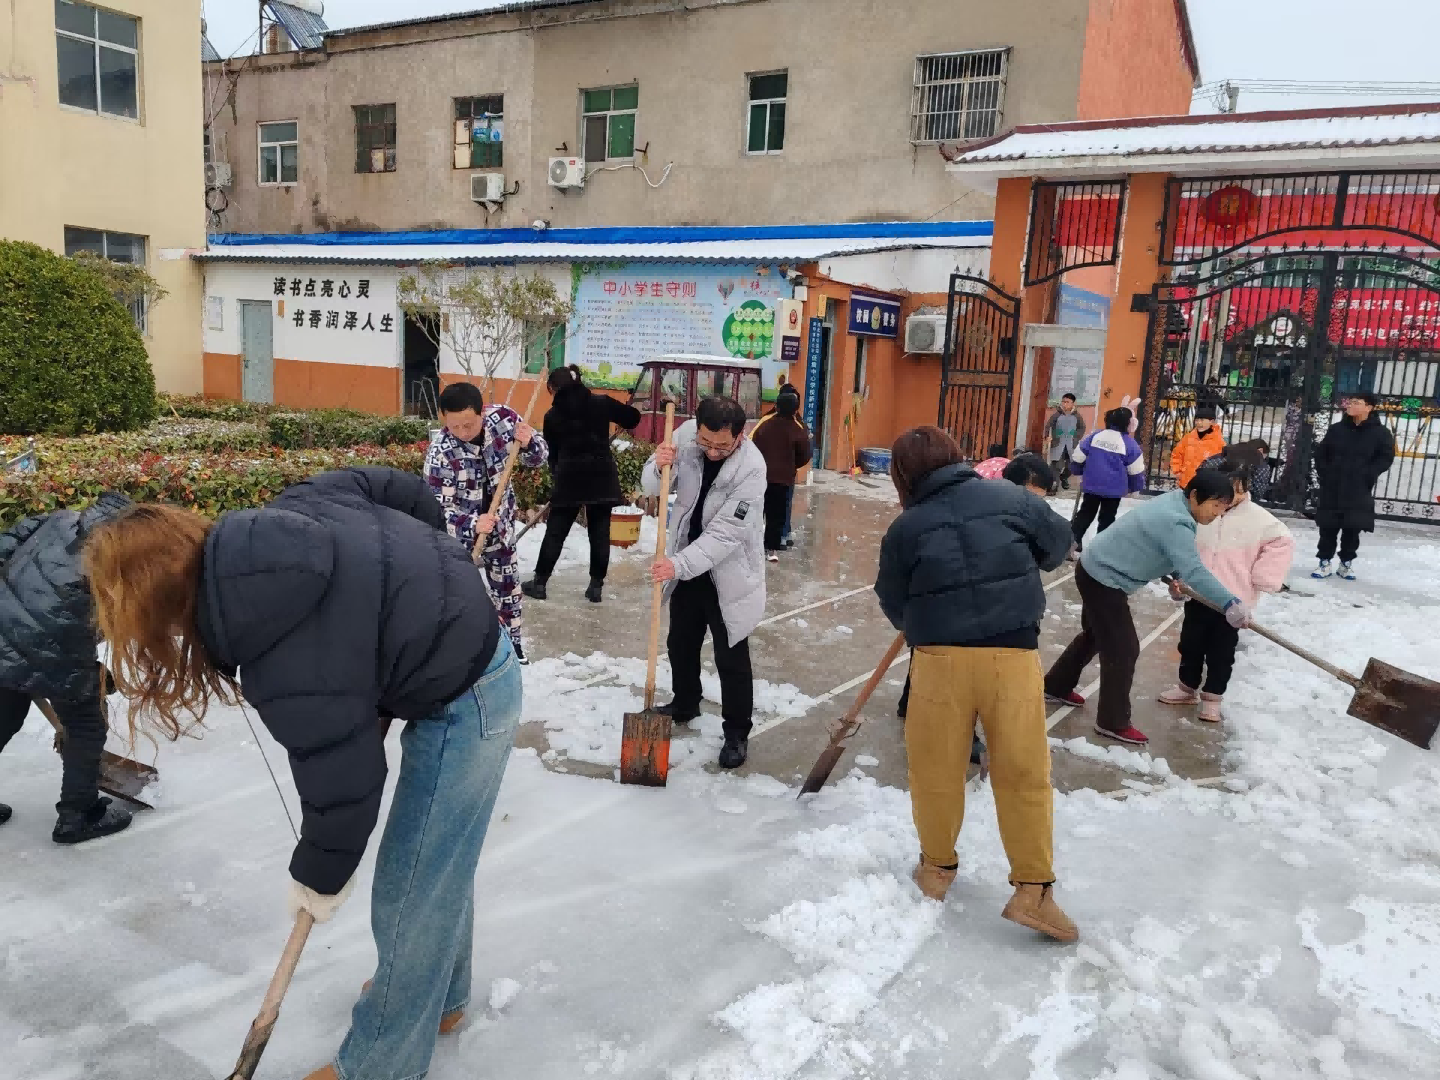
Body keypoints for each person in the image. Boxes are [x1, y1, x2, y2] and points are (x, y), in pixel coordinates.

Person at [83, 468, 522, 1080]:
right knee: (438, 859)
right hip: (461, 652)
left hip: (469, 690)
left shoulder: (282, 661)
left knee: (414, 878)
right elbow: (396, 489)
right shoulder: (294, 507)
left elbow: (344, 792)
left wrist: (317, 883)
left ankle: (381, 1065)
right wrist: (413, 585)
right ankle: (440, 998)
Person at [875, 426, 1075, 940]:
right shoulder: (1013, 498)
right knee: (1024, 772)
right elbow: (1058, 547)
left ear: (902, 474)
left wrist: (924, 618)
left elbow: (893, 602)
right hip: (1011, 656)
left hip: (939, 661)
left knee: (936, 769)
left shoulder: (907, 527)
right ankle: (1034, 890)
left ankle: (936, 869)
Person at [1044, 470, 1248, 746]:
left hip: (1097, 568)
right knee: (1123, 648)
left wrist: (1176, 577)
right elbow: (1195, 570)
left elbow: (1174, 555)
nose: (1218, 514)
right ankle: (1112, 721)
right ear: (1196, 496)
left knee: (1096, 634)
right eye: (1216, 506)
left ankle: (1056, 686)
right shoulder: (1176, 519)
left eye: (1224, 509)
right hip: (1103, 577)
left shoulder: (1179, 505)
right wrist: (1229, 602)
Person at [0, 492, 134, 843]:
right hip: (56, 645)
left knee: (3, 716)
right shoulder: (115, 559)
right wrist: (89, 678)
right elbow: (111, 621)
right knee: (86, 724)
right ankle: (79, 815)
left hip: (1, 626)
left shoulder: (56, 519)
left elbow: (3, 545)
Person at [642, 396, 766, 769]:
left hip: (728, 574)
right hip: (687, 564)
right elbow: (652, 485)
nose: (712, 452)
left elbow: (727, 535)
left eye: (722, 446)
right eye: (706, 443)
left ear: (739, 437)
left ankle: (737, 732)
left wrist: (678, 565)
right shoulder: (685, 437)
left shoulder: (752, 469)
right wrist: (658, 464)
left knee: (731, 654)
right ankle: (685, 701)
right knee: (680, 641)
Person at [1159, 460, 1293, 721]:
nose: (1231, 499)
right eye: (1225, 492)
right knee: (1190, 645)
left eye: (1238, 491)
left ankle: (1213, 697)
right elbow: (1181, 546)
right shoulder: (1200, 514)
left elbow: (1282, 542)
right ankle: (1186, 688)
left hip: (1232, 602)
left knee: (1221, 654)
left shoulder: (1261, 521)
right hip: (1198, 596)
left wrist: (1265, 577)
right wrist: (1179, 576)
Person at [424, 381, 548, 663]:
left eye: (468, 425)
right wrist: (470, 523)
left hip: (501, 527)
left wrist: (530, 443)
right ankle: (457, 653)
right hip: (460, 539)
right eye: (454, 426)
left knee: (508, 590)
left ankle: (513, 646)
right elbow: (437, 508)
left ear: (482, 413)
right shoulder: (441, 452)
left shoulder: (503, 420)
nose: (462, 433)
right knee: (458, 594)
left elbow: (539, 458)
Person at [522, 365, 641, 604]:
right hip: (602, 478)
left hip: (569, 480)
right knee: (599, 533)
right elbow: (633, 419)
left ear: (553, 389)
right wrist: (625, 408)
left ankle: (540, 583)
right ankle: (595, 587)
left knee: (555, 533)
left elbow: (552, 454)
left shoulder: (552, 417)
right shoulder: (601, 403)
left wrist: (558, 478)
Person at [1311, 392, 1397, 581]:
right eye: (1350, 402)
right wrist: (1325, 473)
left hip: (1358, 488)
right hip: (1332, 486)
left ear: (1369, 407)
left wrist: (1369, 473)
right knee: (1328, 527)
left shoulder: (1380, 433)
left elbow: (1385, 457)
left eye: (1356, 403)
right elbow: (1321, 454)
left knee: (1352, 527)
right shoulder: (1336, 430)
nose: (1350, 406)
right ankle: (1324, 561)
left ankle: (1346, 563)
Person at [1068, 406, 1145, 553]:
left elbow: (1078, 456)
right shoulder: (1129, 444)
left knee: (1085, 514)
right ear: (1128, 424)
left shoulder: (1095, 436)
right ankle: (1101, 549)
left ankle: (1072, 544)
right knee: (1107, 518)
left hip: (1092, 485)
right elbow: (1136, 470)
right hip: (1113, 491)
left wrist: (1077, 471)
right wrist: (1135, 488)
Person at [750, 386, 812, 561]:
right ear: (794, 408)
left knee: (757, 512)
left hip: (761, 477)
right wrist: (791, 465)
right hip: (783, 480)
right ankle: (771, 549)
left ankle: (753, 546)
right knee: (776, 515)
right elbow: (805, 454)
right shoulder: (797, 428)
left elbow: (752, 444)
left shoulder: (765, 423)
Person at [1170, 404, 1225, 489]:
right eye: (1197, 420)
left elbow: (1222, 463)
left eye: (1202, 420)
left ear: (1212, 421)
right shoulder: (1188, 438)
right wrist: (1178, 472)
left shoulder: (1219, 442)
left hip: (1206, 485)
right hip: (1185, 483)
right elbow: (1176, 455)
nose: (1199, 423)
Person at [1043, 393, 1087, 490]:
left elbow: (1082, 428)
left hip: (1071, 445)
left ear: (1073, 403)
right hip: (1058, 443)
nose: (1064, 404)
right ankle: (1053, 486)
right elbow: (1048, 426)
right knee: (1056, 466)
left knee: (1072, 466)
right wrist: (1047, 436)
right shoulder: (1056, 415)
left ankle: (1064, 477)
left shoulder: (1077, 416)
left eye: (1067, 402)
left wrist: (1075, 437)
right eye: (1063, 401)